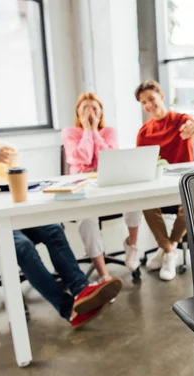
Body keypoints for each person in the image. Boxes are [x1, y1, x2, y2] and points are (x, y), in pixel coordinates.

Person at [0, 96, 122, 328]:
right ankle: (68, 308)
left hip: (7, 210)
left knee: (53, 228)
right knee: (22, 246)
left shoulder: (3, 147)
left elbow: (14, 187)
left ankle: (82, 290)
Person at [134, 80, 194, 281]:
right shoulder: (144, 132)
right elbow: (142, 163)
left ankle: (168, 248)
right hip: (159, 185)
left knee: (189, 203)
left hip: (184, 183)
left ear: (161, 96)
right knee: (145, 202)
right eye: (144, 102)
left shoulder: (181, 120)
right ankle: (169, 249)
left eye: (151, 98)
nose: (149, 105)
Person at [62, 92, 142, 281]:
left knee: (134, 199)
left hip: (108, 182)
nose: (90, 113)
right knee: (86, 218)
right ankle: (103, 273)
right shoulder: (70, 133)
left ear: (101, 112)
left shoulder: (109, 132)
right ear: (78, 113)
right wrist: (88, 131)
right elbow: (82, 157)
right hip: (82, 185)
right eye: (85, 109)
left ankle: (132, 244)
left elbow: (110, 157)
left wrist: (95, 131)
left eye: (94, 108)